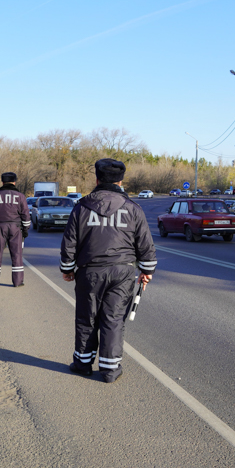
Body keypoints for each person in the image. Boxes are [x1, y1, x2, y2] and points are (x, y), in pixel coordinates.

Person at [60, 159, 157, 383]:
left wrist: (67, 268)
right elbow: (145, 243)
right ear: (120, 181)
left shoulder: (82, 207)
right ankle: (110, 370)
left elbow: (69, 242)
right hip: (122, 273)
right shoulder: (133, 208)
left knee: (87, 318)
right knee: (113, 319)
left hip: (89, 272)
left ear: (97, 179)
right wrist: (147, 269)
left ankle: (83, 364)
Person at [0, 172, 31, 288]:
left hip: (0, 227)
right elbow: (26, 214)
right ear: (14, 182)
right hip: (16, 228)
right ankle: (18, 282)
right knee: (17, 255)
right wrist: (25, 229)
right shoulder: (20, 196)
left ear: (2, 182)